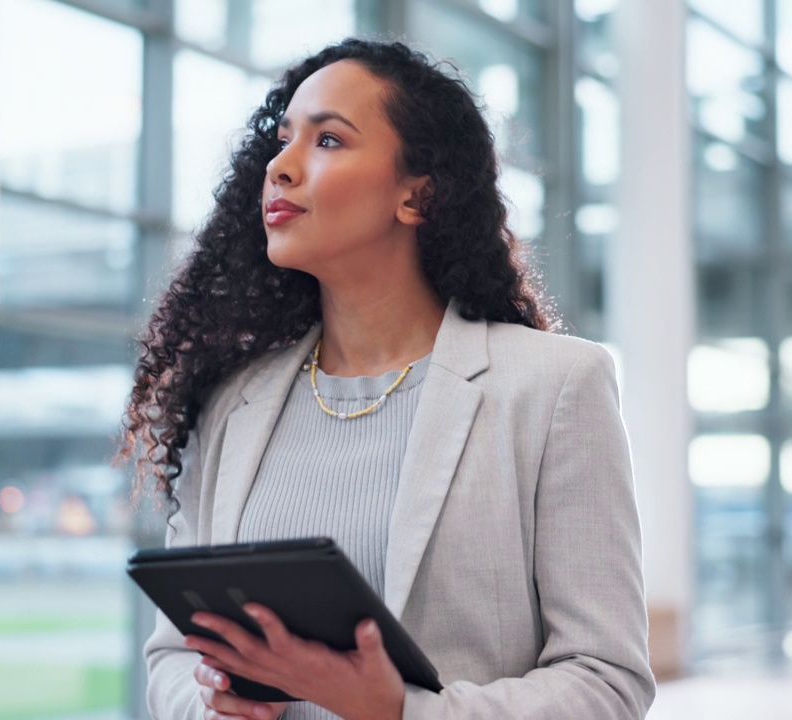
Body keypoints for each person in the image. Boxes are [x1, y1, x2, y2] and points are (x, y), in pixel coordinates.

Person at [118, 38, 655, 720]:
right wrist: (216, 710)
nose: (280, 167)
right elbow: (173, 655)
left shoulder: (555, 388)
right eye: (283, 140)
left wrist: (399, 712)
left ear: (417, 194)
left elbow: (607, 681)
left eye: (330, 140)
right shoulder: (231, 403)